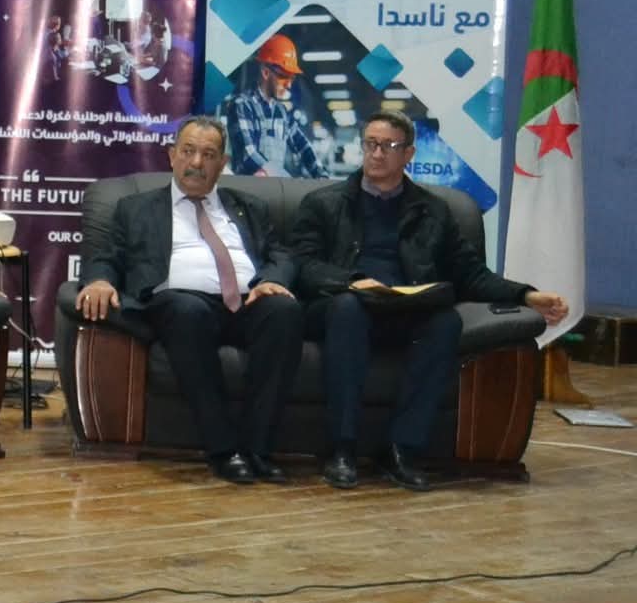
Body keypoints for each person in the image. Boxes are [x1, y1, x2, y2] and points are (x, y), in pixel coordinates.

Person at [290, 109, 569, 491]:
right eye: (370, 144)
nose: (376, 154)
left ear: (408, 154)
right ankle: (343, 447)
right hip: (345, 305)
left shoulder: (433, 210)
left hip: (406, 307)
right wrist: (353, 282)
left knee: (445, 321)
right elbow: (304, 266)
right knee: (347, 309)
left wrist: (526, 294)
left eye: (388, 146)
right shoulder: (324, 203)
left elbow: (469, 274)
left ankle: (401, 449)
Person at [74, 115, 302, 485]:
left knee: (284, 311)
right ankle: (223, 450)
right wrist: (99, 280)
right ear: (172, 155)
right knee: (187, 309)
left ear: (223, 163)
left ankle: (258, 450)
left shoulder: (249, 207)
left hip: (248, 300)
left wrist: (272, 281)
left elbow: (281, 255)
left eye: (208, 155)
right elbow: (106, 255)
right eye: (188, 151)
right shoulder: (136, 208)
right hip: (179, 304)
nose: (197, 162)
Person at [221, 33, 327, 179]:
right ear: (266, 73)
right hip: (245, 189)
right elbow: (248, 154)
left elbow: (304, 147)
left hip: (275, 188)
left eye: (291, 79)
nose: (289, 85)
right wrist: (283, 177)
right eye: (284, 77)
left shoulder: (281, 112)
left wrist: (321, 175)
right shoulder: (242, 106)